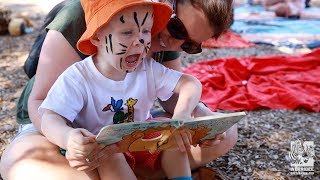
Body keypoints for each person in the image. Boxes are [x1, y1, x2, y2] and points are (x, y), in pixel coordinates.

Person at [0, 0, 237, 179]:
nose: (173, 44)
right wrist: (68, 140)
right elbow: (42, 106)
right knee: (22, 162)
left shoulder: (149, 47)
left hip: (124, 133)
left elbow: (179, 93)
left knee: (227, 131)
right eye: (176, 29)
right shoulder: (79, 19)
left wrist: (199, 120)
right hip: (62, 129)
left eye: (190, 45)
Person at [39, 0, 201, 179]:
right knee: (110, 154)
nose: (140, 41)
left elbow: (190, 83)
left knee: (172, 136)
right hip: (102, 150)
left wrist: (181, 115)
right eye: (127, 32)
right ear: (97, 37)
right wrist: (68, 137)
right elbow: (50, 118)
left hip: (139, 141)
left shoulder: (147, 68)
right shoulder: (78, 77)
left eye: (145, 31)